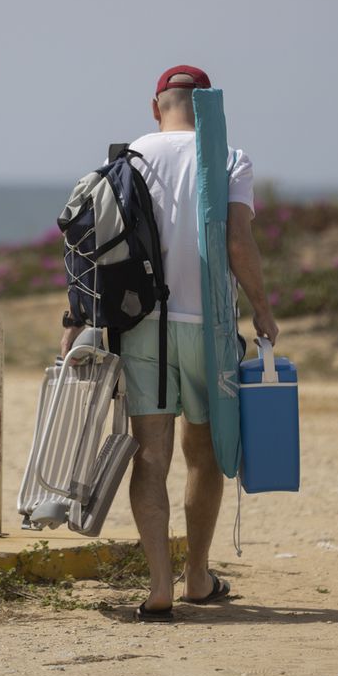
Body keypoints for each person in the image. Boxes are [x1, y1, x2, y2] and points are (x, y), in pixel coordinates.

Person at [62, 65, 279, 622]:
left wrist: (76, 321)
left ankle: (160, 586)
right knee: (203, 456)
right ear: (205, 104)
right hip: (209, 328)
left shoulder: (126, 159)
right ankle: (198, 576)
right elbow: (237, 239)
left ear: (155, 106)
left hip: (143, 327)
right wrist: (263, 308)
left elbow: (95, 250)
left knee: (151, 457)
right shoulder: (229, 156)